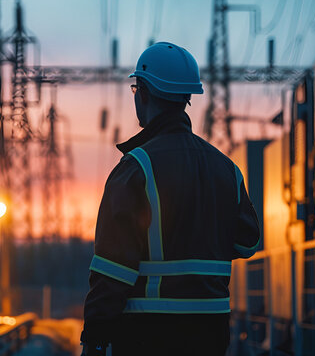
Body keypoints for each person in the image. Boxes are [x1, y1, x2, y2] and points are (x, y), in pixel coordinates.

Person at [81, 42, 261, 355]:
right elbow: (247, 242)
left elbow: (112, 269)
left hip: (148, 333)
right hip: (212, 332)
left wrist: (94, 339)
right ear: (185, 99)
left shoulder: (136, 168)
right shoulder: (227, 169)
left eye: (136, 89)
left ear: (146, 94)